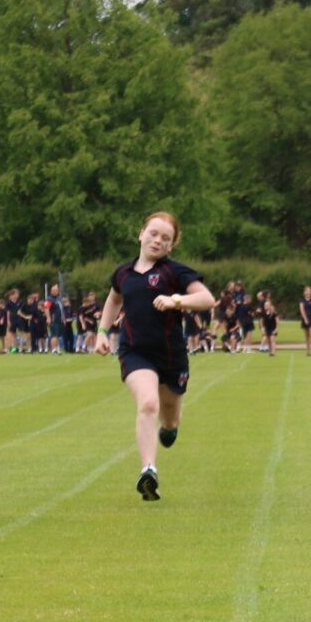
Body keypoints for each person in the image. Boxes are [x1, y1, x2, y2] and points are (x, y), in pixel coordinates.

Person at [95, 212, 215, 502]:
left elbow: (207, 299)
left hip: (172, 356)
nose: (157, 240)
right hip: (134, 352)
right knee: (148, 403)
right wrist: (102, 331)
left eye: (165, 238)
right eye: (153, 233)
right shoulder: (122, 273)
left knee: (170, 413)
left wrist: (176, 300)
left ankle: (170, 427)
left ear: (171, 246)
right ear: (141, 234)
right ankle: (148, 470)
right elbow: (114, 299)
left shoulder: (174, 272)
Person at [299, 285, 311, 355]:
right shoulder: (302, 300)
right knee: (307, 336)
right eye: (307, 291)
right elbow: (302, 310)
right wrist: (305, 319)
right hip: (305, 319)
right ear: (305, 292)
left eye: (310, 291)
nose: (309, 292)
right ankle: (308, 351)